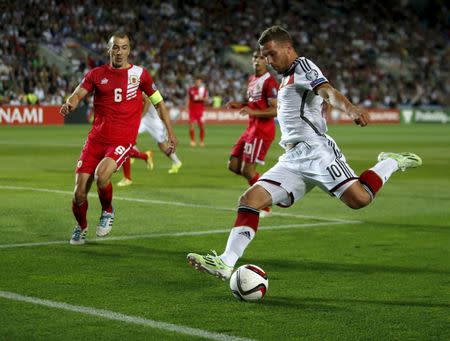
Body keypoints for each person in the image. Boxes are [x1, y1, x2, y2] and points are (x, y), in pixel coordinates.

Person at [187, 26, 422, 280]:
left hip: (317, 152)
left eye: (272, 54)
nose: (268, 61)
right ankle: (225, 262)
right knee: (249, 199)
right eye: (264, 56)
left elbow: (328, 91)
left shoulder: (303, 67)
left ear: (288, 48)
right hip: (292, 158)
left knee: (359, 200)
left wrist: (351, 110)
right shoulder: (286, 77)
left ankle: (389, 162)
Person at [60, 32, 178, 245]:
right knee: (79, 194)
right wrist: (70, 103)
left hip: (122, 139)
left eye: (124, 47)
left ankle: (107, 211)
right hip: (95, 139)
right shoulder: (96, 74)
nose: (120, 52)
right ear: (109, 50)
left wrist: (170, 132)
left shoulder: (141, 75)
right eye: (116, 47)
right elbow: (78, 94)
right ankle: (82, 226)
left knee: (102, 175)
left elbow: (159, 103)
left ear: (129, 50)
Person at [227, 48, 278, 217]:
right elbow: (254, 103)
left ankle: (264, 206)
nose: (257, 60)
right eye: (255, 57)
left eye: (261, 58)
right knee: (234, 165)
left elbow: (276, 110)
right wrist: (240, 104)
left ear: (267, 61)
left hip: (262, 131)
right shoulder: (252, 79)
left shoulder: (269, 82)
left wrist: (252, 112)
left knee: (248, 171)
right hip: (250, 129)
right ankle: (263, 191)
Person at [117, 98, 183, 186]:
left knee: (162, 145)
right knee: (127, 137)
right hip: (142, 119)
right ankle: (132, 155)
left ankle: (176, 162)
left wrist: (139, 116)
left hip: (153, 121)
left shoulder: (141, 86)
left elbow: (147, 102)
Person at [187, 77, 208, 147]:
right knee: (191, 126)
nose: (198, 83)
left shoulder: (203, 90)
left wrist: (201, 98)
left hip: (200, 111)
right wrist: (187, 107)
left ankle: (201, 141)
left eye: (199, 82)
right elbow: (190, 98)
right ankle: (192, 141)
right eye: (197, 82)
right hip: (192, 110)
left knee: (201, 127)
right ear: (195, 83)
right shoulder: (191, 90)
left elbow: (206, 99)